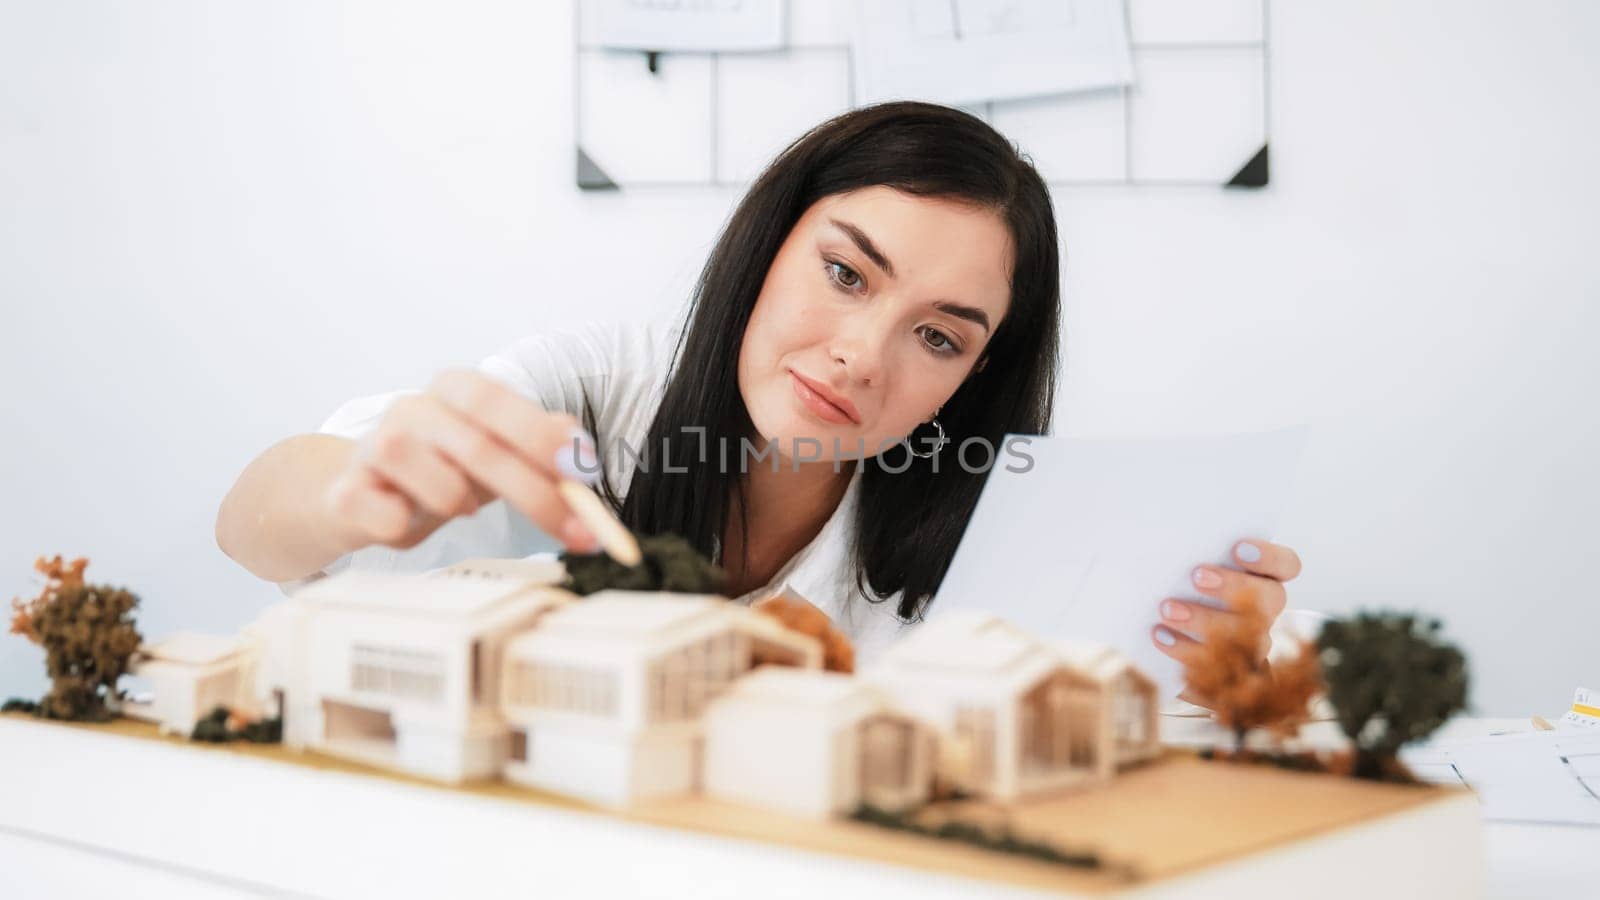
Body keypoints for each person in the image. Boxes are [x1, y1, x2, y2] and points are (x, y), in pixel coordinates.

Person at [215, 101, 1305, 667]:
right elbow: (252, 525)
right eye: (844, 273)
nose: (861, 356)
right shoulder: (594, 388)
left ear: (976, 377)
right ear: (766, 242)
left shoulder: (988, 537)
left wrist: (1223, 664)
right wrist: (355, 486)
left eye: (939, 337)